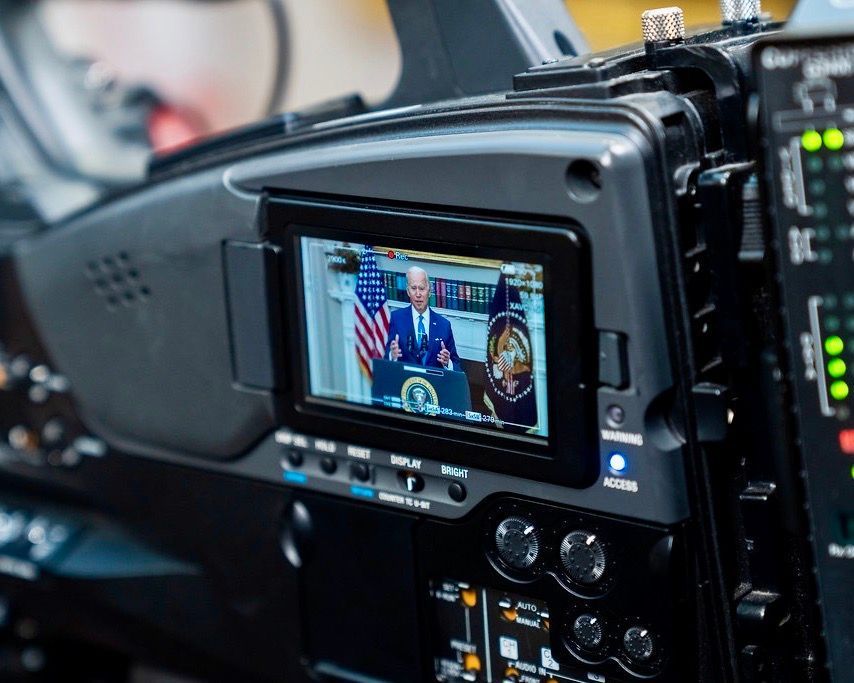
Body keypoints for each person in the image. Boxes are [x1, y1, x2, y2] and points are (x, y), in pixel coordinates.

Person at [386, 266, 462, 370]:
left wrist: (448, 363)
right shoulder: (396, 319)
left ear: (429, 291)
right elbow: (384, 359)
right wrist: (392, 356)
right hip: (406, 383)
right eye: (413, 288)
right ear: (408, 292)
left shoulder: (444, 325)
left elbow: (457, 366)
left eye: (421, 288)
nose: (418, 294)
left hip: (433, 385)